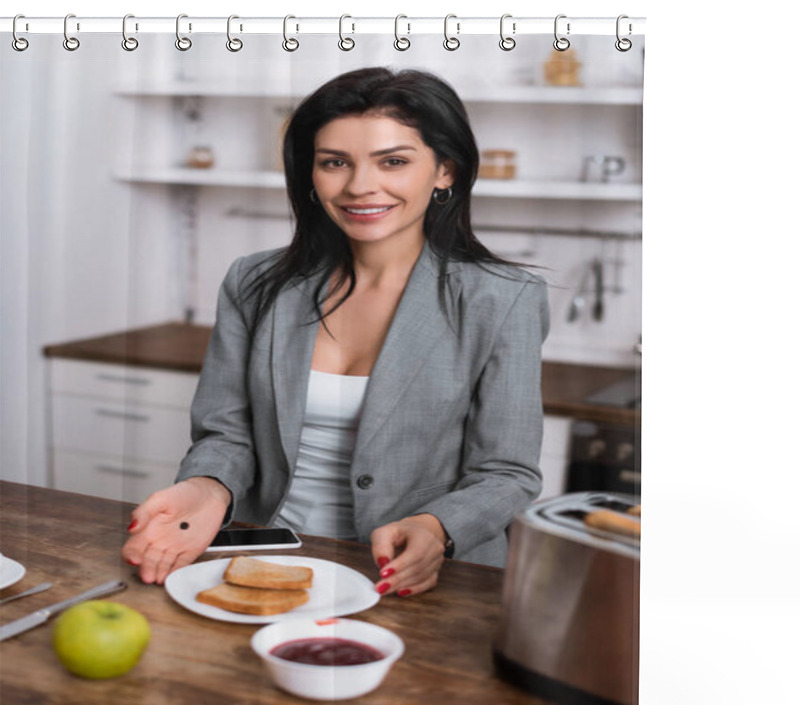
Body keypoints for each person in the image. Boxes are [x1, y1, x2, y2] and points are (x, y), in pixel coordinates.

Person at [122, 66, 549, 597]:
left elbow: (506, 472)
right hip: (269, 560)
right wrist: (206, 488)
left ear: (445, 171)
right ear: (310, 173)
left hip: (423, 581)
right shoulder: (254, 283)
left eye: (393, 161)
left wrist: (435, 529)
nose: (359, 186)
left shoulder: (502, 298)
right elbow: (225, 432)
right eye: (334, 163)